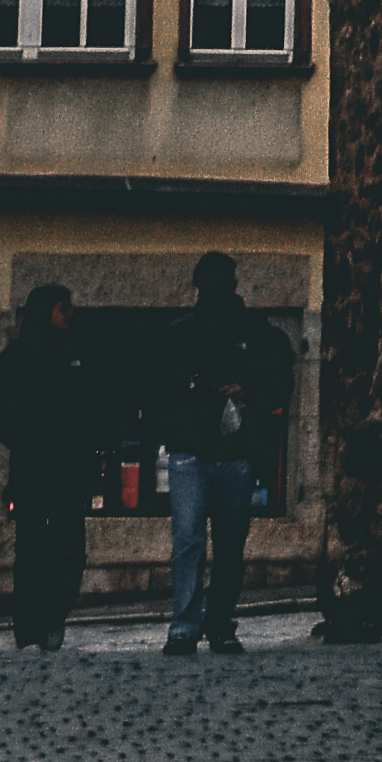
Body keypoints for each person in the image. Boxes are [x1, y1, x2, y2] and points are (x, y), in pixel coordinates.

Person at [162, 253, 268, 658]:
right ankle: (198, 625)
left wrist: (246, 393)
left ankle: (205, 624)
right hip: (197, 449)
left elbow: (273, 381)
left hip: (225, 450)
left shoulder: (246, 332)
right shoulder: (182, 333)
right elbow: (161, 386)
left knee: (213, 544)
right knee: (201, 542)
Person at [0, 281, 96, 651]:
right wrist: (28, 441)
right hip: (33, 471)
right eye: (63, 308)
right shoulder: (17, 358)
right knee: (31, 550)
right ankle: (29, 625)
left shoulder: (75, 353)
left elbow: (91, 410)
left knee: (70, 551)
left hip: (69, 472)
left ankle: (53, 615)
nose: (70, 315)